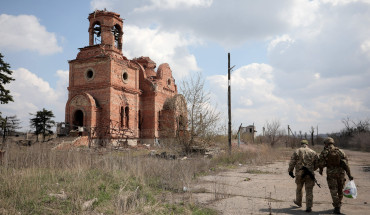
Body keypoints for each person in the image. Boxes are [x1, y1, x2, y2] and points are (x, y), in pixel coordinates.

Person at [318, 137, 353, 214]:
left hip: (331, 174)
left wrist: (321, 170)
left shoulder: (324, 152)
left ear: (326, 144)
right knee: (340, 190)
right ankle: (339, 203)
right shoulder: (340, 151)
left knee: (333, 191)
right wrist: (349, 175)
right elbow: (346, 164)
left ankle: (336, 206)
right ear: (333, 143)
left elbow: (321, 164)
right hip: (341, 174)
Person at [288, 139, 319, 213]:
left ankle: (298, 202)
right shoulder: (313, 152)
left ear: (301, 144)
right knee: (309, 190)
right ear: (307, 144)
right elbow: (317, 164)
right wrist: (312, 169)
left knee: (299, 188)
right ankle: (309, 207)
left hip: (299, 174)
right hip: (309, 174)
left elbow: (292, 162)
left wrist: (290, 171)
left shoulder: (297, 151)